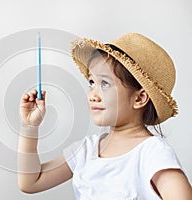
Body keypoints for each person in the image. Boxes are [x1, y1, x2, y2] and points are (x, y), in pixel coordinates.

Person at [17, 32, 192, 199]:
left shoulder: (151, 154)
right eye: (92, 82)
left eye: (105, 83)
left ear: (139, 98)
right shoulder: (85, 151)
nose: (93, 94)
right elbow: (31, 182)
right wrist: (29, 127)